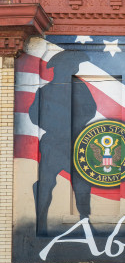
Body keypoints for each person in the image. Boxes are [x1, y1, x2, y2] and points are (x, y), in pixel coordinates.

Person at [30, 51, 97, 235]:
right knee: (44, 184)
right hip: (52, 144)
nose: (74, 69)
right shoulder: (44, 91)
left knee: (83, 182)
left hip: (75, 143)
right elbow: (34, 116)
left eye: (74, 66)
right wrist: (55, 125)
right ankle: (40, 224)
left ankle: (85, 220)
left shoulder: (80, 87)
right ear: (59, 69)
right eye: (71, 66)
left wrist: (74, 124)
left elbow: (91, 110)